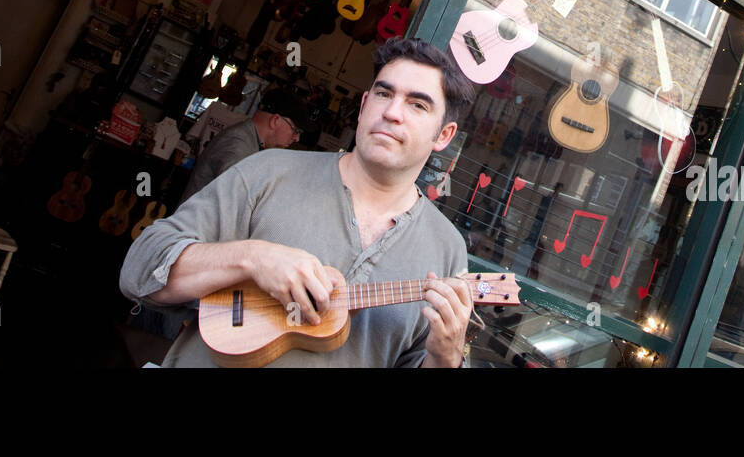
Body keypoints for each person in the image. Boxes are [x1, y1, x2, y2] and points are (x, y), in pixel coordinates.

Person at [120, 37, 477, 367]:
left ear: (443, 135)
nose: (393, 112)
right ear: (364, 105)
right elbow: (139, 270)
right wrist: (253, 258)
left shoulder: (446, 251)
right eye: (384, 95)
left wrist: (444, 358)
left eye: (417, 104)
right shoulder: (268, 171)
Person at [179, 87, 313, 203]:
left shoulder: (252, 142)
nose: (296, 138)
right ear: (276, 121)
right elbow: (237, 198)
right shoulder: (237, 143)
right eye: (295, 130)